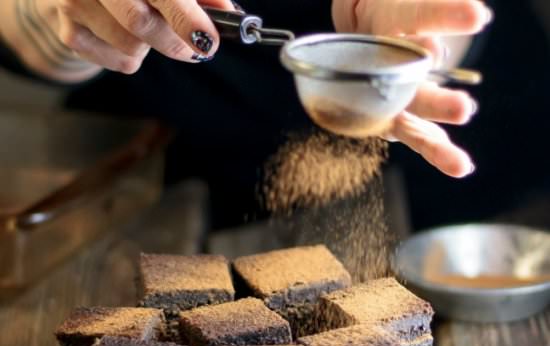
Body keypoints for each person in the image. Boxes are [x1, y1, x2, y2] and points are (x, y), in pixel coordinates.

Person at [0, 1, 493, 226]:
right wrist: (56, 19)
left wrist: (420, 47)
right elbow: (25, 20)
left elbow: (449, 15)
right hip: (135, 173)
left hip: (417, 191)